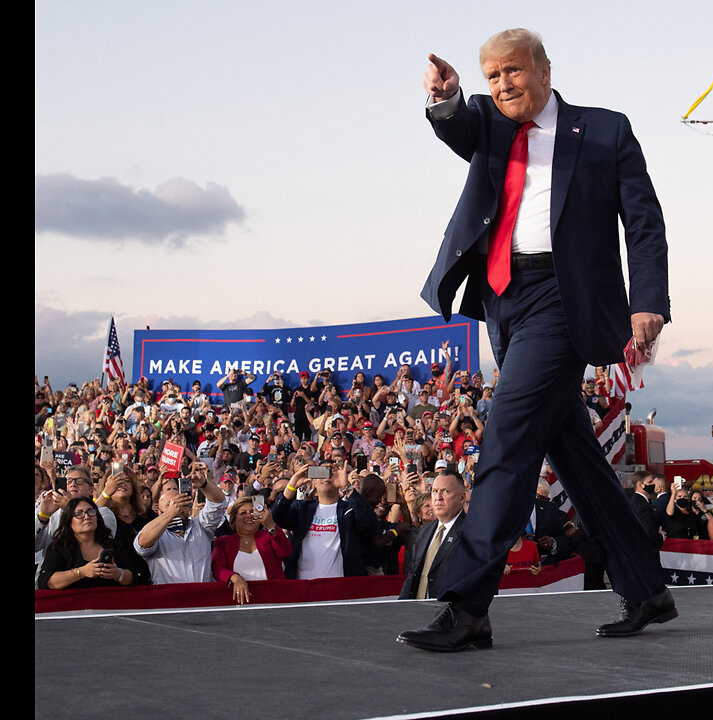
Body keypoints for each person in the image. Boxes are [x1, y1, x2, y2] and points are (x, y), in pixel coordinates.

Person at [400, 28, 674, 652]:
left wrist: (648, 303)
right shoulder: (489, 123)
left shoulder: (604, 131)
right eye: (492, 76)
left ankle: (468, 604)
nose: (502, 85)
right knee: (571, 449)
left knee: (508, 435)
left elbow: (644, 223)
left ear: (544, 69)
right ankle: (646, 586)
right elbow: (458, 128)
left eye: (513, 72)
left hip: (564, 298)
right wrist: (446, 99)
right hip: (504, 298)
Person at [272, 461, 380, 579]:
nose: (327, 476)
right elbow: (277, 517)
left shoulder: (349, 509)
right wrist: (291, 485)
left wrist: (347, 488)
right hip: (303, 586)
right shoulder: (302, 509)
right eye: (322, 472)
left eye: (332, 472)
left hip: (341, 587)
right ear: (313, 482)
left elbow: (370, 523)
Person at [133, 464, 229, 584]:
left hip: (202, 599)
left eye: (181, 503)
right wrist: (170, 514)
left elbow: (218, 503)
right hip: (170, 600)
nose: (177, 508)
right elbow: (141, 543)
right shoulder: (157, 535)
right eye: (171, 504)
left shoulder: (201, 526)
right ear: (159, 511)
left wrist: (204, 484)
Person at [37, 497, 138, 589]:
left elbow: (136, 574)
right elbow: (46, 581)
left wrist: (118, 574)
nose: (86, 516)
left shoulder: (113, 544)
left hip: (111, 606)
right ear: (69, 521)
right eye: (79, 514)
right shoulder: (59, 547)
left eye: (91, 511)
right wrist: (80, 572)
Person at [400, 471, 467, 601]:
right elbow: (413, 574)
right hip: (419, 614)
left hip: (452, 616)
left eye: (446, 491)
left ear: (462, 497)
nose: (438, 497)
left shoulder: (471, 532)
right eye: (435, 491)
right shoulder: (425, 531)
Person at [211, 495, 291, 604]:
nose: (249, 516)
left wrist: (271, 525)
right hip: (240, 602)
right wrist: (235, 578)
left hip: (274, 600)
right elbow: (217, 568)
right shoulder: (223, 542)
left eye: (253, 512)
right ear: (234, 519)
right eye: (243, 513)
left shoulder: (270, 536)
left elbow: (286, 551)